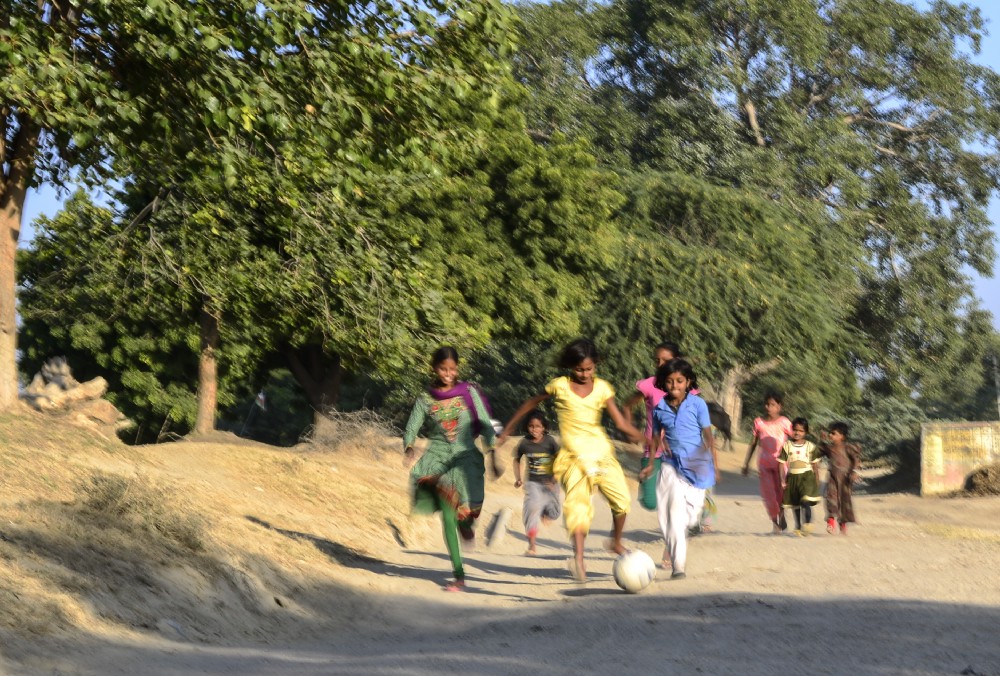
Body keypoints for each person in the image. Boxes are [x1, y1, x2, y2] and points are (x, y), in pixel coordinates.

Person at [497, 338, 645, 582]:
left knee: (622, 501)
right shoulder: (560, 386)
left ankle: (615, 542)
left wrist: (643, 438)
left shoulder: (603, 389)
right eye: (579, 369)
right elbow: (531, 403)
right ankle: (578, 558)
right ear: (570, 367)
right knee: (578, 508)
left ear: (596, 365)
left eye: (589, 369)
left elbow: (620, 422)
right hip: (573, 460)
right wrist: (506, 431)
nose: (584, 374)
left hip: (601, 454)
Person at [403, 346, 502, 592]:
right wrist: (409, 447)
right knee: (449, 515)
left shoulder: (468, 392)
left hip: (466, 457)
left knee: (468, 513)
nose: (447, 374)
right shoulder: (426, 398)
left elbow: (484, 423)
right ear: (434, 368)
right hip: (438, 458)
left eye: (452, 369)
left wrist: (493, 454)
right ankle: (459, 575)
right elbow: (412, 425)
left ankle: (466, 525)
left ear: (457, 369)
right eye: (442, 369)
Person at [639, 358, 719, 579]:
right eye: (670, 381)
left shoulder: (698, 404)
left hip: (696, 466)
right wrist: (652, 465)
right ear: (664, 384)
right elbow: (655, 438)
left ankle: (687, 527)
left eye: (680, 381)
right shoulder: (659, 409)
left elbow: (707, 434)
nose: (675, 385)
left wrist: (710, 458)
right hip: (670, 464)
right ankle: (678, 566)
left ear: (688, 382)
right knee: (671, 514)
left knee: (690, 517)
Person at [623, 342, 678, 510]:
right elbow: (626, 405)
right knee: (650, 503)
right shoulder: (649, 385)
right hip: (652, 449)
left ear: (677, 361)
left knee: (684, 495)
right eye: (657, 360)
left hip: (678, 450)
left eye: (666, 361)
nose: (660, 365)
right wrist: (630, 431)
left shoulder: (686, 386)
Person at [741, 392, 793, 533]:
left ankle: (781, 515)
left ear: (779, 406)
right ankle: (775, 524)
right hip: (764, 465)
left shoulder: (785, 422)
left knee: (781, 494)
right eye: (767, 404)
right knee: (768, 495)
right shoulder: (759, 423)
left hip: (782, 465)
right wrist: (746, 464)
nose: (769, 407)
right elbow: (753, 443)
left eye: (773, 405)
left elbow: (796, 439)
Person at [512, 411, 562, 555]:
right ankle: (532, 546)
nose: (534, 429)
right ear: (527, 427)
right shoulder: (525, 443)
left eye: (538, 426)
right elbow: (516, 460)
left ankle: (545, 513)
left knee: (554, 513)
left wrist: (555, 478)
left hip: (551, 483)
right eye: (531, 426)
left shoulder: (550, 441)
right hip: (533, 483)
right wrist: (518, 478)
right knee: (531, 509)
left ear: (544, 427)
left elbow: (561, 459)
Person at [777, 417, 821, 536]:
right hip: (792, 477)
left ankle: (807, 525)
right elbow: (781, 463)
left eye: (801, 431)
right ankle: (798, 526)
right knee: (795, 504)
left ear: (806, 432)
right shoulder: (787, 446)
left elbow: (815, 465)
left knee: (805, 501)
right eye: (795, 430)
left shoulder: (810, 447)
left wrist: (817, 478)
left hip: (806, 477)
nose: (797, 433)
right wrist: (782, 480)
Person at [819, 421, 862, 535]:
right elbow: (819, 452)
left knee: (844, 502)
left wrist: (854, 471)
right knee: (831, 499)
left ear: (842, 436)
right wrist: (822, 440)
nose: (830, 435)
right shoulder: (829, 448)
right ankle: (831, 522)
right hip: (832, 478)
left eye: (833, 433)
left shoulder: (847, 448)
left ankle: (843, 526)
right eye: (830, 433)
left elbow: (856, 459)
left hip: (845, 479)